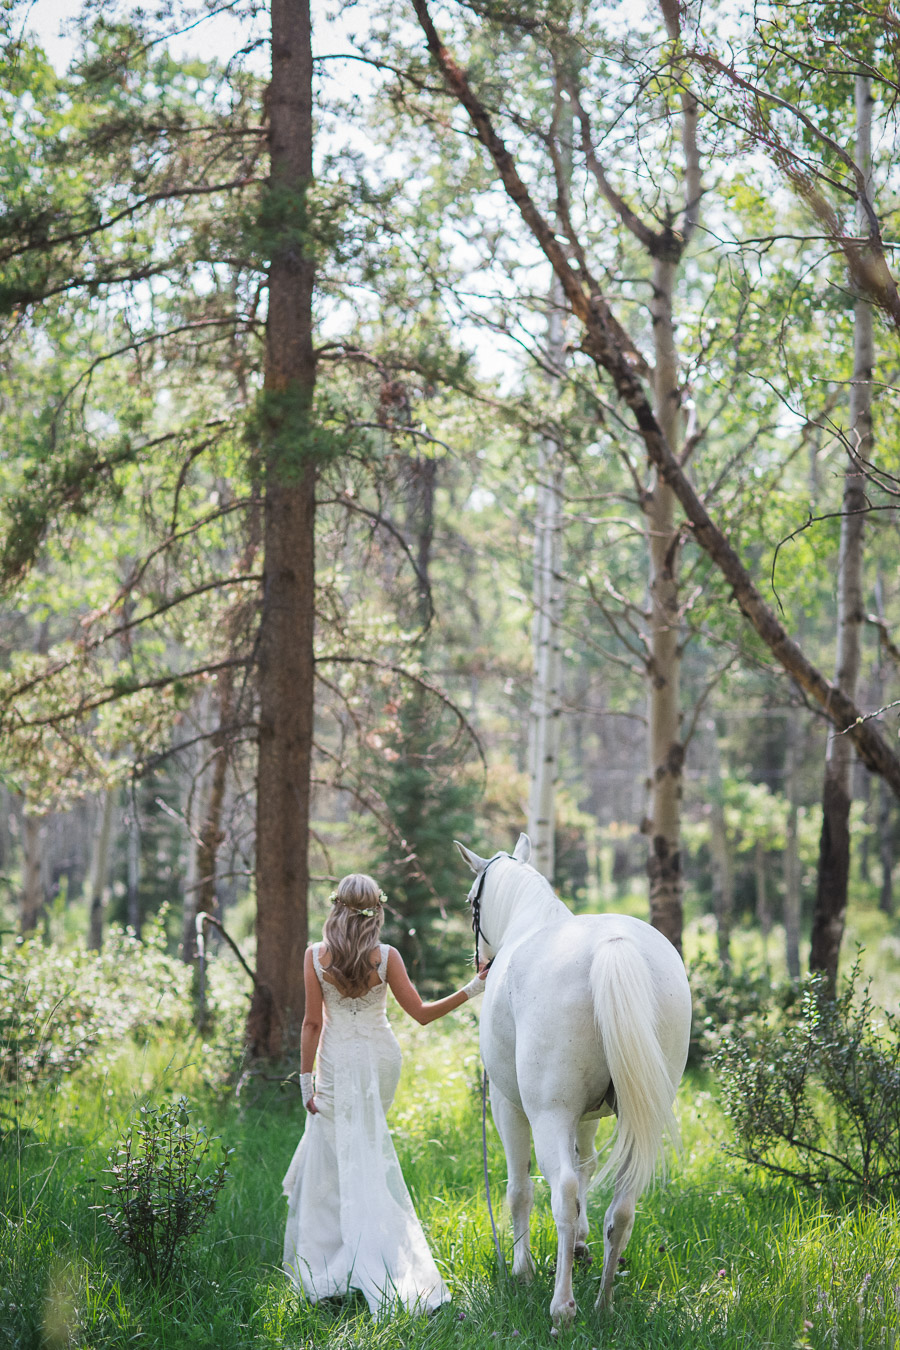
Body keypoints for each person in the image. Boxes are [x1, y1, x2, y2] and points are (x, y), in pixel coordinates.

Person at [282, 872, 486, 1317]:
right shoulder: (386, 956)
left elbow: (312, 1024)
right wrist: (472, 989)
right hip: (381, 1059)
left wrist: (304, 1082)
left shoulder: (315, 957)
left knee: (335, 1155)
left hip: (336, 1064)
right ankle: (372, 1252)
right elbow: (422, 1014)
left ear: (336, 906)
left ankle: (338, 1264)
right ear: (376, 909)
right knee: (367, 1154)